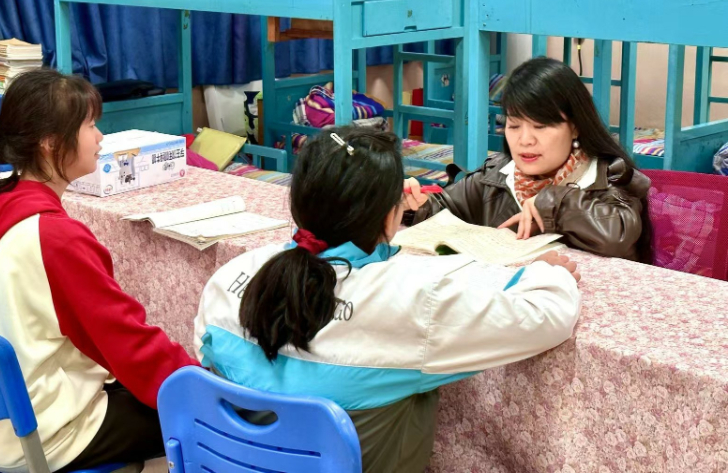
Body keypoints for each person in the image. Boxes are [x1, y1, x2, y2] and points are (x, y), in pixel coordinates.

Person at [194, 127, 581, 473]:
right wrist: (550, 273)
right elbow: (550, 316)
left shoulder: (232, 275)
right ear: (389, 217)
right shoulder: (411, 301)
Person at [0, 70, 197, 473]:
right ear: (50, 143)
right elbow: (129, 344)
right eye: (90, 125)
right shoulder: (53, 237)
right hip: (36, 435)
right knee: (197, 417)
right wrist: (205, 387)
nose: (100, 138)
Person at [405, 57, 651, 262]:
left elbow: (618, 237)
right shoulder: (496, 177)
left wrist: (553, 203)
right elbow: (443, 208)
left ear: (575, 127)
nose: (525, 140)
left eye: (540, 127)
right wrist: (414, 205)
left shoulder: (607, 176)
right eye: (514, 125)